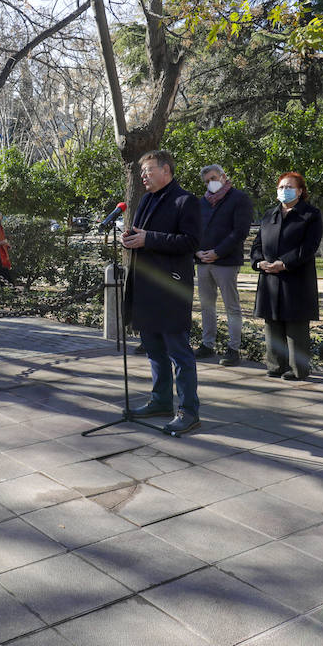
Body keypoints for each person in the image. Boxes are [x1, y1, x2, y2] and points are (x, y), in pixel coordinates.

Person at [122, 150, 203, 435]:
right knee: (154, 350)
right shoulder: (146, 199)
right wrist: (132, 238)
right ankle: (160, 401)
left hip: (170, 287)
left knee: (179, 353)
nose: (144, 175)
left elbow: (191, 242)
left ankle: (189, 411)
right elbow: (143, 236)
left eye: (149, 170)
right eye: (142, 171)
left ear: (166, 170)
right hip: (145, 286)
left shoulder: (186, 201)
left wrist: (148, 238)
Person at [250, 172, 323, 379]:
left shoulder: (310, 214)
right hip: (269, 277)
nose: (284, 191)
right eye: (281, 187)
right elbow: (257, 245)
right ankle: (275, 365)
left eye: (289, 187)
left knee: (295, 325)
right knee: (272, 323)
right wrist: (259, 262)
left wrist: (285, 263)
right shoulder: (269, 215)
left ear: (300, 191)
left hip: (296, 277)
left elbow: (309, 246)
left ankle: (298, 369)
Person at [194, 164, 253, 362]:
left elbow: (240, 231)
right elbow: (194, 229)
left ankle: (233, 348)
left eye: (213, 178)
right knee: (206, 306)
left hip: (226, 261)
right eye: (207, 181)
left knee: (231, 307)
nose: (211, 183)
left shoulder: (239, 199)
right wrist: (198, 252)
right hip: (202, 261)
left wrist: (218, 252)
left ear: (223, 176)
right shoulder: (201, 202)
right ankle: (207, 344)